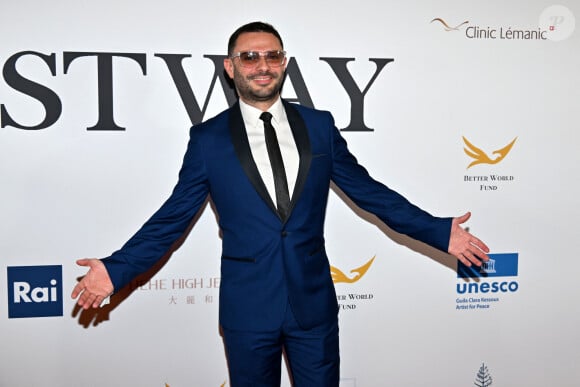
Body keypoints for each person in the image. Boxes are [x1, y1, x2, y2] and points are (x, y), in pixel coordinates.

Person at [72, 21, 489, 386]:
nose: (263, 65)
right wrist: (116, 268)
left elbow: (369, 192)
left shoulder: (319, 125)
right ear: (230, 67)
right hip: (249, 310)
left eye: (272, 56)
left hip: (314, 307)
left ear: (284, 63)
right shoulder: (209, 140)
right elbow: (173, 218)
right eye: (250, 57)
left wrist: (436, 230)